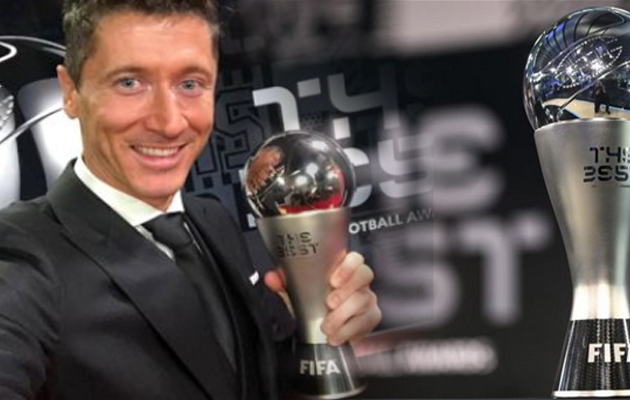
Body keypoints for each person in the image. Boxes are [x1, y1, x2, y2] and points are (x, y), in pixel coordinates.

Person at [0, 1, 381, 399]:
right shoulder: (21, 255)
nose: (169, 122)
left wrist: (321, 328)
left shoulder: (210, 218)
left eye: (190, 84)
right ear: (70, 92)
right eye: (129, 83)